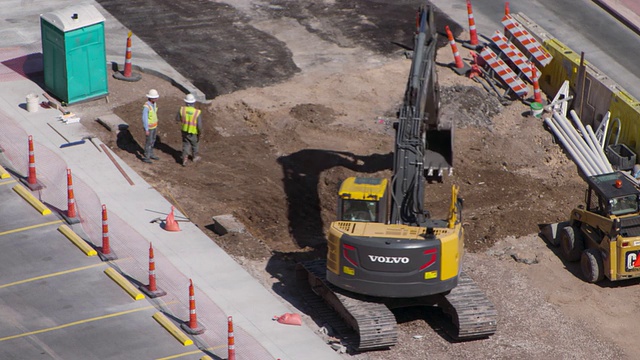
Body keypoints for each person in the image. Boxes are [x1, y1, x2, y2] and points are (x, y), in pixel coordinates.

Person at [176, 93, 203, 166]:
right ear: (193, 102)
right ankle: (195, 157)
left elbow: (177, 119)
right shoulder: (197, 112)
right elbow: (199, 125)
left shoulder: (182, 109)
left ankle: (184, 158)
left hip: (184, 130)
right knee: (195, 144)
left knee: (186, 144)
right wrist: (199, 133)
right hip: (193, 131)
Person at [141, 89, 160, 163]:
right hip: (149, 128)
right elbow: (144, 118)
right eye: (155, 98)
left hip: (154, 126)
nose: (156, 99)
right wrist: (146, 129)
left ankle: (151, 153)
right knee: (149, 142)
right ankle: (147, 156)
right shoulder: (146, 107)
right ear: (151, 98)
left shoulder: (154, 104)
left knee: (153, 140)